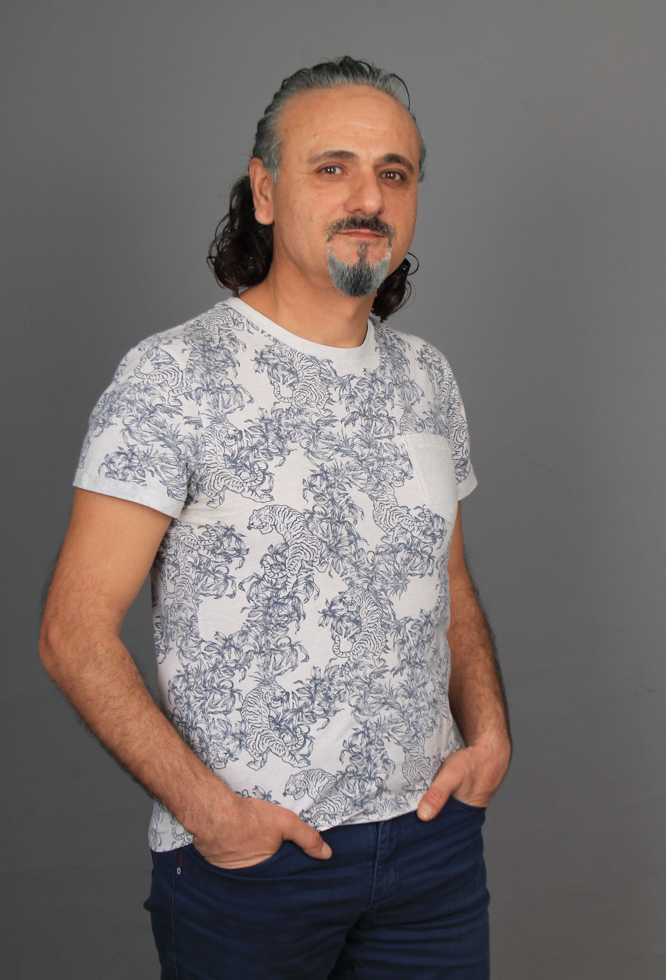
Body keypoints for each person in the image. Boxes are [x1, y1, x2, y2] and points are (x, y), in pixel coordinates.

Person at [40, 57, 511, 979]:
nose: (367, 198)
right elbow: (73, 631)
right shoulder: (173, 376)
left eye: (394, 173)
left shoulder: (428, 378)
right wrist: (213, 816)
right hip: (254, 865)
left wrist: (488, 736)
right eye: (332, 168)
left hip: (431, 853)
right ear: (264, 191)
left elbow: (446, 584)